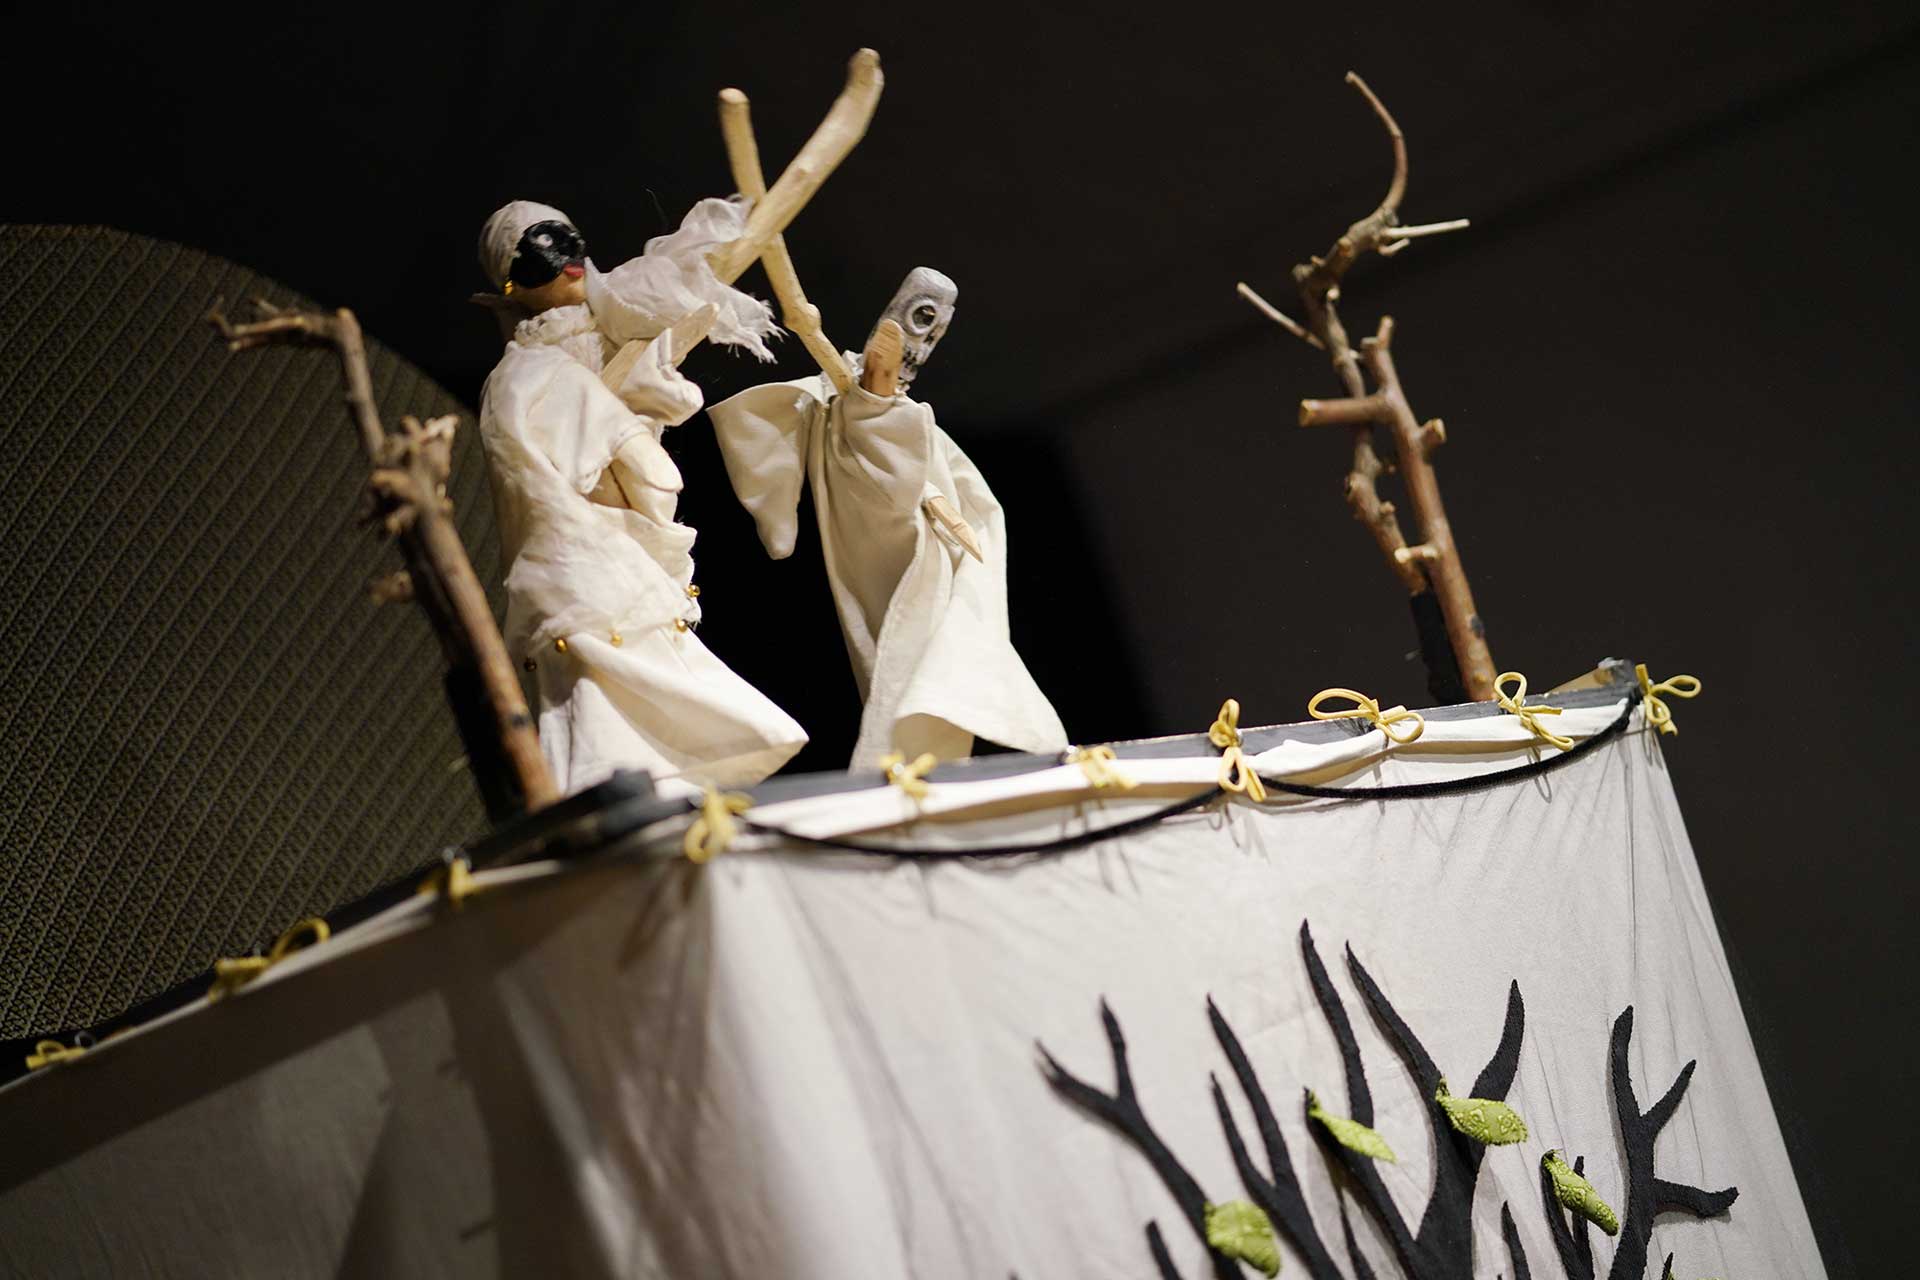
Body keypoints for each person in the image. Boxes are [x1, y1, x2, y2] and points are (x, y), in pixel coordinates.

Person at [474, 199, 806, 794]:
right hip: (582, 548)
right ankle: (605, 796)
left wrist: (644, 404)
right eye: (538, 251)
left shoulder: (609, 330)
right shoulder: (527, 372)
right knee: (600, 673)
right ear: (510, 282)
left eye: (568, 239)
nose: (566, 259)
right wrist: (623, 444)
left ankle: (666, 790)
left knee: (645, 667)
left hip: (618, 540)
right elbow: (550, 458)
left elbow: (646, 421)